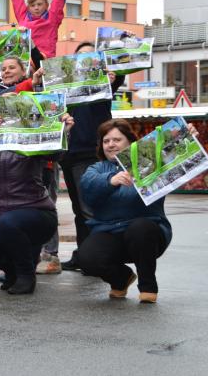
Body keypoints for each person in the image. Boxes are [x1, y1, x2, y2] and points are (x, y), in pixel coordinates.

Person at [78, 119, 191, 304]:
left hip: (148, 234)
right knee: (86, 259)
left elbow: (178, 165)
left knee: (140, 228)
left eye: (117, 140)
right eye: (106, 141)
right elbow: (87, 188)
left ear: (131, 142)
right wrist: (110, 180)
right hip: (109, 231)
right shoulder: (96, 169)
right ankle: (121, 278)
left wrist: (186, 137)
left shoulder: (150, 161)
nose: (111, 144)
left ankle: (148, 287)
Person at [0, 108, 74, 295]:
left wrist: (64, 132)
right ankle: (13, 271)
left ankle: (26, 274)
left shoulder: (30, 138)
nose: (1, 120)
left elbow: (55, 155)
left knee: (9, 223)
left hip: (36, 212)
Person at [56, 41, 126, 271]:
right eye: (79, 57)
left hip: (90, 154)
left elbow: (118, 80)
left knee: (89, 209)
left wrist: (115, 77)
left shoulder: (104, 83)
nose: (83, 62)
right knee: (79, 210)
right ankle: (83, 255)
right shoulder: (66, 89)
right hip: (69, 154)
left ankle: (98, 258)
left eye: (89, 57)